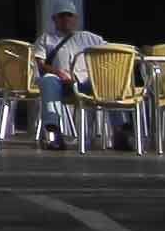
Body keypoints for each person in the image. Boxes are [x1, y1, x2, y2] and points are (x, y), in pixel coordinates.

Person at [31, 9, 111, 147]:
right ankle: (52, 132)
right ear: (54, 18)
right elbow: (40, 64)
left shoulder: (90, 38)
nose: (66, 19)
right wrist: (58, 72)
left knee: (111, 82)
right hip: (61, 82)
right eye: (62, 15)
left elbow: (111, 52)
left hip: (86, 82)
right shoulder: (46, 38)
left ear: (76, 18)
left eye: (69, 15)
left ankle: (123, 132)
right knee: (48, 80)